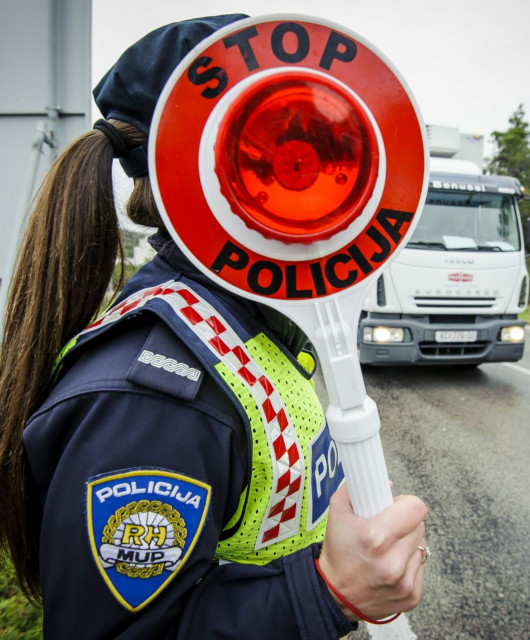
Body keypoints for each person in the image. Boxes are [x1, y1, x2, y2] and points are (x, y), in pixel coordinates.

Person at [0, 15, 428, 639]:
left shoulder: (247, 328)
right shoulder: (151, 399)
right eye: (281, 149)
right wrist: (330, 591)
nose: (317, 172)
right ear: (216, 172)